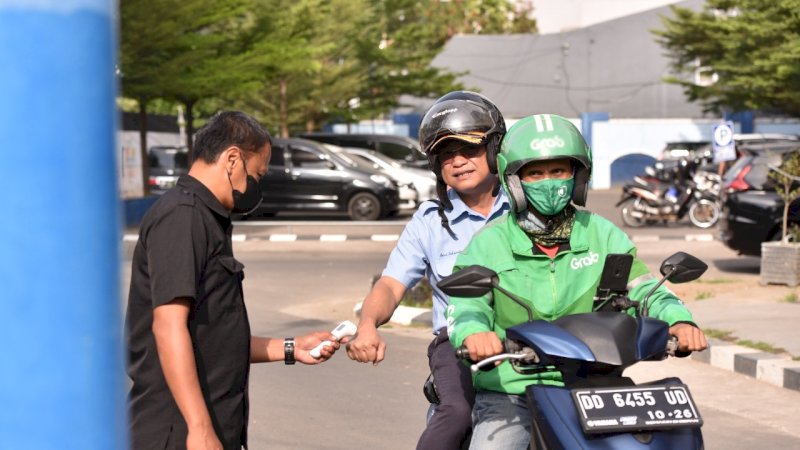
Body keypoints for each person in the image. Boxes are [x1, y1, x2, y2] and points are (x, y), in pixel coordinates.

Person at [445, 114, 709, 449]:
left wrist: (679, 321)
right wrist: (474, 334)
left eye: (559, 171)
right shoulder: (489, 243)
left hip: (598, 385)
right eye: (535, 173)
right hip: (516, 391)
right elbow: (468, 305)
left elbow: (644, 288)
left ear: (577, 175)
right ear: (515, 179)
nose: (548, 181)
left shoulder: (602, 233)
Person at [125, 111, 340, 450]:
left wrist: (291, 348)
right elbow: (167, 326)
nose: (257, 185)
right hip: (176, 431)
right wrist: (198, 428)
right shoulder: (183, 218)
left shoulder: (207, 218)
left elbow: (215, 336)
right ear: (232, 159)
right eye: (257, 174)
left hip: (211, 426)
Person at [346, 91, 510, 450]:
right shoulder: (429, 221)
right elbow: (390, 285)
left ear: (495, 149)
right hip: (457, 345)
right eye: (446, 155)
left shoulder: (526, 206)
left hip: (531, 338)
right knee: (455, 413)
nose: (458, 161)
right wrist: (367, 325)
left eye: (469, 149)